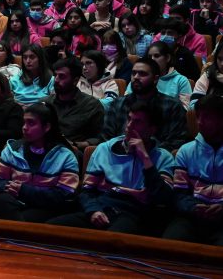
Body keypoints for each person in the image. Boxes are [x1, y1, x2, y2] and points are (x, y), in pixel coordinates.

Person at [48, 101, 175, 235]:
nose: (129, 126)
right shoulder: (105, 149)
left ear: (152, 129)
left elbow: (163, 199)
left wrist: (145, 159)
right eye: (129, 119)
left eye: (137, 122)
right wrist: (93, 210)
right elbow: (86, 191)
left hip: (134, 215)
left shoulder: (163, 157)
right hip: (101, 207)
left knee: (111, 240)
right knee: (50, 230)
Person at [0, 103, 79, 223]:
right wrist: (9, 187)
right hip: (16, 202)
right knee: (2, 201)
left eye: (31, 123)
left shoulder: (65, 156)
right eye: (24, 122)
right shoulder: (13, 149)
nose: (24, 127)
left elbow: (64, 195)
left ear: (47, 127)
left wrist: (25, 191)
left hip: (46, 208)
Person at [163, 95, 223, 246]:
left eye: (207, 117)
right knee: (168, 247)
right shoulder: (186, 151)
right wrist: (193, 207)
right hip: (191, 216)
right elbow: (178, 194)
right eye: (198, 117)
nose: (199, 122)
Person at [101, 58, 187, 151]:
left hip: (157, 159)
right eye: (133, 73)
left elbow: (176, 142)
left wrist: (147, 151)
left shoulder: (172, 106)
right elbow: (106, 137)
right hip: (120, 156)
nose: (136, 77)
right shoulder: (117, 104)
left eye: (142, 74)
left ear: (155, 79)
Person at [45, 57, 105, 154]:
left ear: (75, 80)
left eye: (62, 76)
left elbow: (100, 138)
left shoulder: (91, 106)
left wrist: (76, 145)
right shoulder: (46, 103)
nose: (56, 80)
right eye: (55, 75)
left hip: (72, 154)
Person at [126, 41, 192, 110]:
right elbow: (126, 104)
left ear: (167, 58)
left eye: (156, 56)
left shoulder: (181, 81)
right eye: (149, 56)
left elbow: (186, 110)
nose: (152, 59)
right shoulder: (138, 80)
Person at [153, 17, 201, 81]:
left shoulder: (185, 54)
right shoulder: (153, 51)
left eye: (170, 33)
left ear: (179, 35)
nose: (165, 36)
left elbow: (195, 78)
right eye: (163, 33)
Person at [191, 42, 223, 107]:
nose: (222, 64)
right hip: (208, 116)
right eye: (220, 59)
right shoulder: (207, 75)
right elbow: (193, 105)